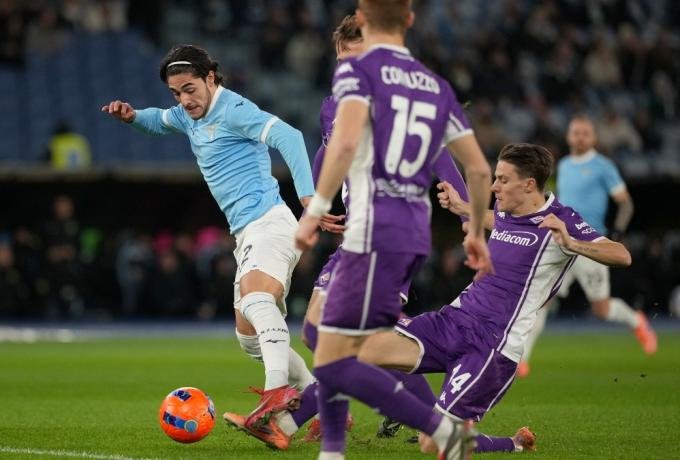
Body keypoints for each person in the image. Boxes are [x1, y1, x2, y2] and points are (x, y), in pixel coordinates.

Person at [294, 1, 493, 458]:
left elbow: (344, 144)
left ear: (365, 23)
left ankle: (442, 430)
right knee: (324, 340)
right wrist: (473, 226)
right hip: (409, 233)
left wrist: (314, 209)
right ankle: (332, 450)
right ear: (409, 20)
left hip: (374, 232)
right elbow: (479, 169)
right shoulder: (436, 87)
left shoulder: (357, 75)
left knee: (334, 350)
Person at [366, 142, 630, 455]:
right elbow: (498, 221)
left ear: (528, 184)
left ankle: (512, 444)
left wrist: (572, 243)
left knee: (431, 443)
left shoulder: (560, 220)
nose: (494, 186)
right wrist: (463, 208)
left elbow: (621, 255)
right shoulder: (508, 210)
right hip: (453, 321)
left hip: (491, 347)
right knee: (361, 348)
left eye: (503, 180)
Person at [101, 44, 317, 417]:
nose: (184, 100)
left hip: (270, 222)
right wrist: (133, 116)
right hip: (247, 232)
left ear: (211, 78)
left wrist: (309, 198)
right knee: (249, 338)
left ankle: (276, 392)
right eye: (176, 93)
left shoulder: (234, 109)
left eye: (190, 89)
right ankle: (321, 400)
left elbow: (291, 137)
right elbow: (159, 121)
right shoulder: (188, 115)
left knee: (256, 300)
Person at [517, 114, 656, 378]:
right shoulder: (564, 165)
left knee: (601, 309)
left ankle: (636, 321)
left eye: (585, 133)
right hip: (560, 243)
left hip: (589, 244)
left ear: (593, 138)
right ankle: (521, 360)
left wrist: (617, 231)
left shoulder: (603, 166)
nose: (580, 137)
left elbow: (626, 203)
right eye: (575, 132)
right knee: (542, 300)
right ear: (568, 136)